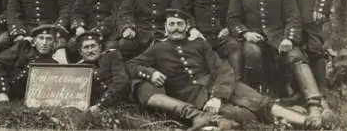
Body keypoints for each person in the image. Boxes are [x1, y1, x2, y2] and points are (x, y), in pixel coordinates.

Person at [127, 8, 321, 130]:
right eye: (172, 24)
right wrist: (151, 73)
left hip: (222, 86)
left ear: (187, 26)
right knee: (239, 115)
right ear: (166, 27)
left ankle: (307, 123)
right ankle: (278, 124)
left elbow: (223, 69)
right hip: (194, 96)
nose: (176, 28)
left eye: (180, 24)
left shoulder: (200, 45)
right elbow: (132, 65)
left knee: (260, 101)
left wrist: (218, 96)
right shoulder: (157, 48)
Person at [227, 0, 324, 127]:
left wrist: (289, 38)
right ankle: (261, 98)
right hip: (254, 37)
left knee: (296, 56)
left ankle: (314, 104)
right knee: (252, 53)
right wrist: (246, 33)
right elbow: (232, 19)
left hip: (280, 36)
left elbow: (293, 16)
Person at [0, 24, 64, 103]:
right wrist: (1, 91)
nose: (44, 43)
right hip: (8, 91)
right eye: (41, 38)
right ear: (34, 41)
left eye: (49, 39)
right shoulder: (23, 48)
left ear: (54, 42)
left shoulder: (54, 62)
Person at [76, 32, 130, 111]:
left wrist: (100, 105)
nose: (90, 50)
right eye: (86, 47)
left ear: (100, 47)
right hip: (91, 108)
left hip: (117, 105)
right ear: (80, 52)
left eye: (93, 46)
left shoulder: (112, 56)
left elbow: (121, 82)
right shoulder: (79, 68)